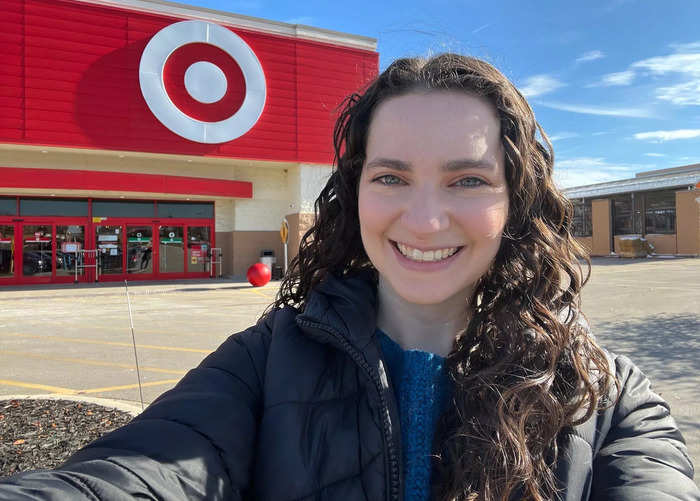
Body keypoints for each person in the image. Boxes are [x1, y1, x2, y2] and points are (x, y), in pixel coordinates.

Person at [1, 54, 698, 501]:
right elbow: (133, 474)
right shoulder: (263, 362)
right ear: (354, 191)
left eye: (467, 179)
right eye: (392, 175)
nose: (424, 220)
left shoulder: (604, 395)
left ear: (515, 201)